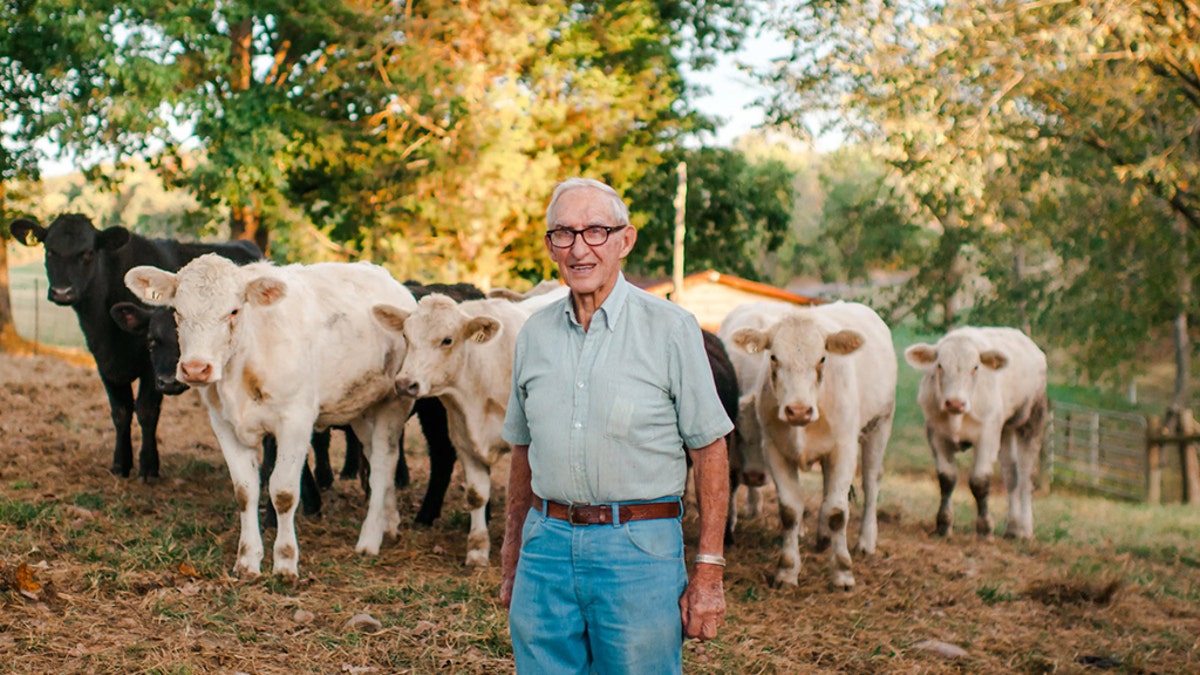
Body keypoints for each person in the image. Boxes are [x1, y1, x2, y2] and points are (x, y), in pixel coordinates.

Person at [500, 177, 733, 674]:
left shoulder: (671, 330)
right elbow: (523, 451)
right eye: (563, 234)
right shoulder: (533, 335)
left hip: (638, 551)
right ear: (549, 247)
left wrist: (709, 570)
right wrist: (512, 553)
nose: (579, 248)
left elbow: (709, 450)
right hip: (545, 550)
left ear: (624, 241)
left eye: (596, 232)